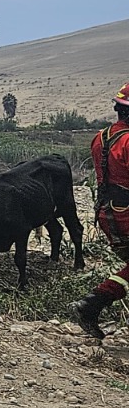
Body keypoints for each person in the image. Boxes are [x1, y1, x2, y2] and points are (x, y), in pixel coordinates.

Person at [76, 82, 129, 338]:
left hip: (108, 213)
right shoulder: (128, 141)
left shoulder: (101, 137)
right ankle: (93, 304)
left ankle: (93, 304)